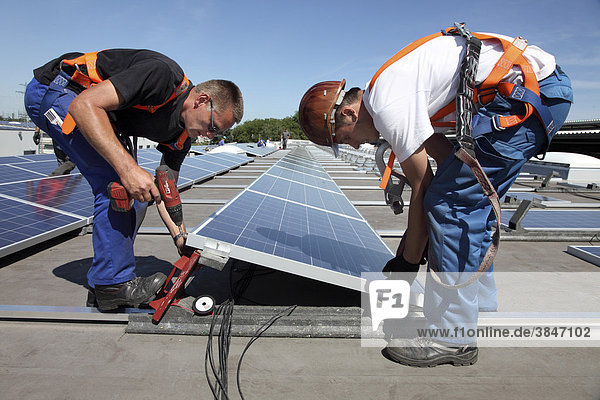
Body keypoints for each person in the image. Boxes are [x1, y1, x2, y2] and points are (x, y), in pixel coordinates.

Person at [298, 25, 572, 367]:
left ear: (348, 114)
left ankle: (452, 337)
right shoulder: (396, 94)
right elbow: (444, 160)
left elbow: (424, 187)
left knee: (450, 205)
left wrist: (407, 263)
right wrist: (419, 242)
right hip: (540, 91)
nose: (353, 146)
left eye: (342, 138)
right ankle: (476, 306)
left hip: (528, 95)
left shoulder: (387, 104)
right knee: (469, 206)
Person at [25, 49, 243, 311]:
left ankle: (103, 284)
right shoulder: (162, 77)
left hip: (92, 109)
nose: (210, 135)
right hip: (60, 92)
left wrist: (181, 237)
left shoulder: (184, 135)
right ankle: (111, 285)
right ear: (201, 100)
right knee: (119, 184)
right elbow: (84, 105)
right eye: (213, 126)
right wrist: (128, 170)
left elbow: (165, 191)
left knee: (139, 195)